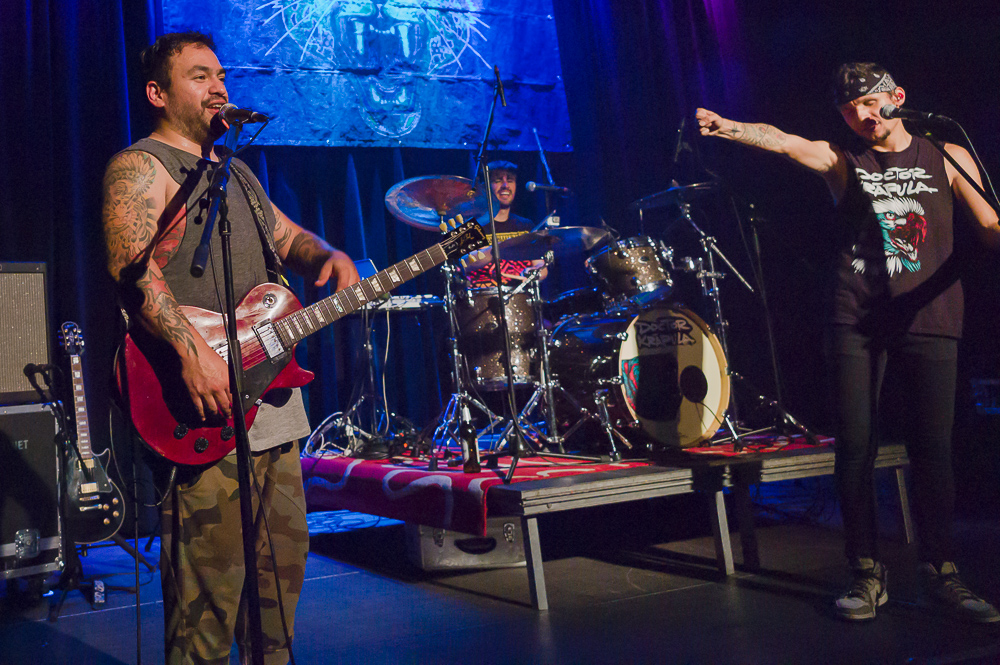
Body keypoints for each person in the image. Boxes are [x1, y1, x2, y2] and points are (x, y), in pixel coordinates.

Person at [697, 62, 1000, 623]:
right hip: (856, 316)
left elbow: (987, 225)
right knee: (856, 446)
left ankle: (943, 571)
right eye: (848, 109)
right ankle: (865, 570)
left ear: (897, 97)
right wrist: (731, 128)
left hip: (930, 313)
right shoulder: (843, 160)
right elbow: (786, 142)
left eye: (868, 102)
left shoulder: (946, 152)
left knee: (934, 448)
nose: (861, 115)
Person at [101, 32, 360, 663]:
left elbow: (288, 237)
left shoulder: (236, 172)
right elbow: (130, 270)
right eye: (199, 76)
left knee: (277, 605)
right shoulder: (141, 167)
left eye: (220, 75)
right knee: (206, 617)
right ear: (157, 93)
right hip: (202, 411)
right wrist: (192, 353)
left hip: (274, 413)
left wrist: (328, 254)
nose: (218, 87)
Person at [464, 160, 545, 286]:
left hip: (520, 294)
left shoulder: (526, 225)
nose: (506, 185)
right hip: (482, 295)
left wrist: (535, 271)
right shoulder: (470, 227)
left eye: (510, 180)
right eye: (498, 180)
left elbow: (540, 264)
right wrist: (500, 247)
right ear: (485, 187)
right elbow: (462, 264)